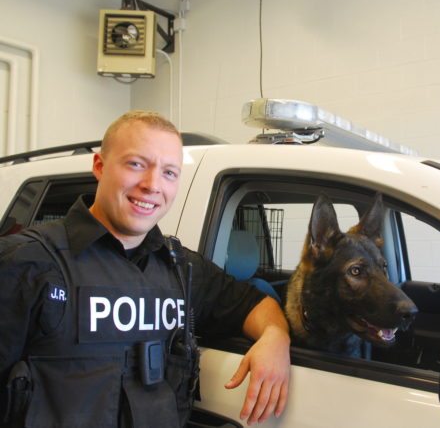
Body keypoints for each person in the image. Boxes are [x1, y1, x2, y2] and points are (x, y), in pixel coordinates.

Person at [0, 111, 291, 427]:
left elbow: (253, 304)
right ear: (99, 166)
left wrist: (275, 337)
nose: (152, 185)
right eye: (136, 164)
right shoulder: (24, 262)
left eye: (169, 172)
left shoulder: (180, 267)